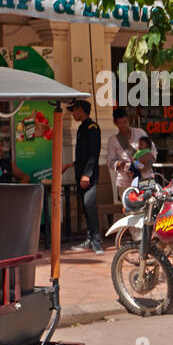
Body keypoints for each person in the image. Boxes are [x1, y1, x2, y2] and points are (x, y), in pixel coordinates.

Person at [60, 100, 103, 254]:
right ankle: (90, 239)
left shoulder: (92, 128)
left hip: (88, 176)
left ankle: (97, 242)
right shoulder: (82, 128)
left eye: (74, 111)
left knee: (89, 205)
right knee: (85, 207)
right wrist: (69, 165)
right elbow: (83, 155)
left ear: (80, 109)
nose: (73, 114)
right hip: (81, 175)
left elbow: (93, 154)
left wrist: (87, 174)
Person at [106, 107, 148, 198]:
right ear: (115, 123)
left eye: (124, 122)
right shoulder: (113, 140)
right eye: (120, 123)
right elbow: (110, 161)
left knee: (144, 206)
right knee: (129, 208)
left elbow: (152, 150)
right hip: (124, 180)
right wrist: (120, 164)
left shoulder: (140, 133)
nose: (123, 125)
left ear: (128, 120)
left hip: (143, 176)